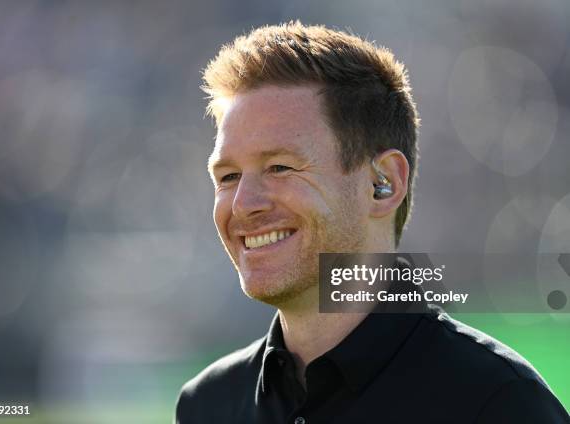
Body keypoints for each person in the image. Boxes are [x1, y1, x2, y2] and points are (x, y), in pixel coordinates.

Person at [175, 21, 569, 423]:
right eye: (228, 176)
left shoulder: (499, 403)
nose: (243, 204)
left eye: (279, 166)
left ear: (383, 182)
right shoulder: (207, 405)